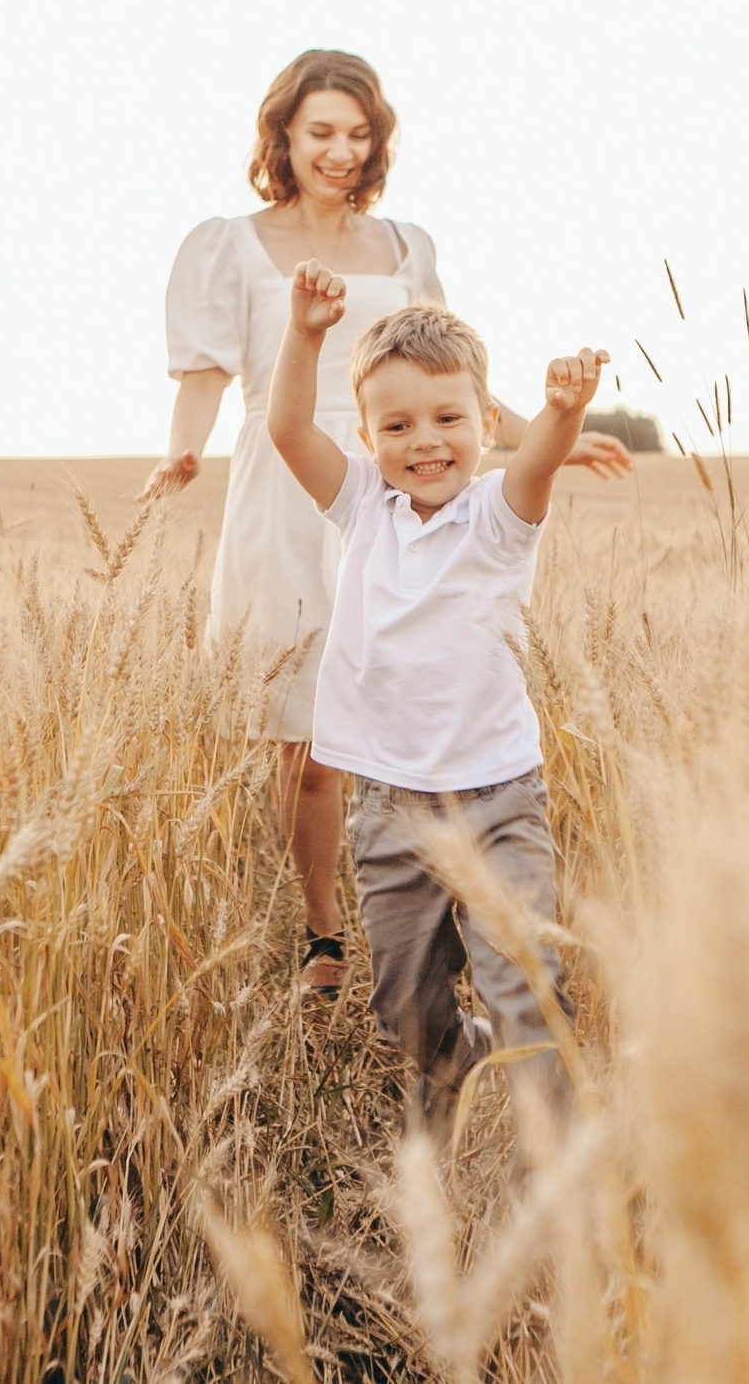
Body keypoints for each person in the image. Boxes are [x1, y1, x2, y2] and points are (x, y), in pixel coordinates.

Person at [144, 51, 629, 996]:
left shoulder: (405, 247)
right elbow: (204, 370)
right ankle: (324, 927)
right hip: (294, 481)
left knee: (416, 675)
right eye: (321, 130)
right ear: (281, 134)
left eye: (358, 133)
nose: (340, 149)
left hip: (408, 479)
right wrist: (183, 447)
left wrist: (554, 438)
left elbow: (454, 383)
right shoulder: (227, 243)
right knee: (303, 728)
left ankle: (442, 907)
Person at [266, 265, 603, 1143]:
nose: (426, 441)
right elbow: (287, 427)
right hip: (389, 802)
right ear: (369, 435)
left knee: (523, 981)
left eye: (450, 418)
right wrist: (304, 337)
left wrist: (563, 412)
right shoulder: (364, 509)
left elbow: (540, 462)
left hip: (498, 795)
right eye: (399, 424)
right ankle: (454, 1057)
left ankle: (558, 1170)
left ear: (487, 425)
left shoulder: (499, 516)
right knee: (404, 1010)